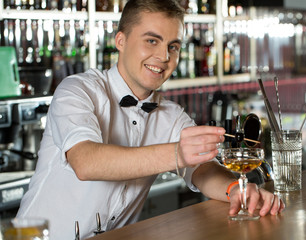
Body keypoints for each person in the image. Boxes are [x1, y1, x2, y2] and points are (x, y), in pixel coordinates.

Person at [16, 0, 284, 239]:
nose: (164, 57)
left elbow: (202, 169)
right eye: (151, 41)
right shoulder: (77, 90)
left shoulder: (171, 115)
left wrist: (233, 190)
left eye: (173, 46)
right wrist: (178, 154)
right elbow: (86, 162)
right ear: (120, 40)